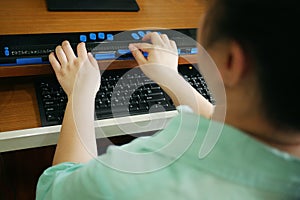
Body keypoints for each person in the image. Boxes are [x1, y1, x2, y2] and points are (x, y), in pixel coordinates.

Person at [36, 0, 300, 199]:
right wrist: (171, 78)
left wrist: (80, 93)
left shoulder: (136, 176)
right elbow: (237, 128)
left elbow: (54, 189)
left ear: (231, 61)